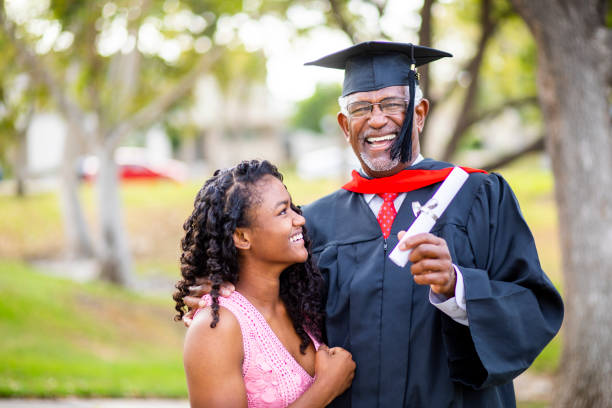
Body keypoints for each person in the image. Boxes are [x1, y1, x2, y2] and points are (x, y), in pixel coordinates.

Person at [184, 41, 564, 407]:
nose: (377, 118)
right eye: (361, 107)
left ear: (419, 113)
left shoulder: (478, 196)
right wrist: (219, 298)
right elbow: (269, 312)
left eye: (392, 104)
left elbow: (533, 305)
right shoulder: (314, 222)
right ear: (343, 123)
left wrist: (457, 286)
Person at [173, 159, 355, 408]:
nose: (299, 219)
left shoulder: (299, 301)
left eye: (292, 207)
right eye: (282, 211)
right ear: (242, 236)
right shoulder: (217, 327)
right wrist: (326, 388)